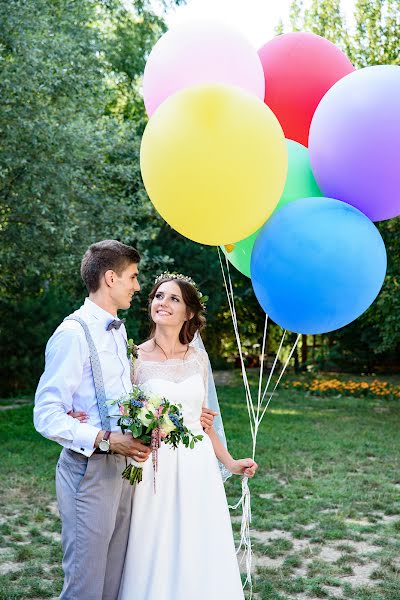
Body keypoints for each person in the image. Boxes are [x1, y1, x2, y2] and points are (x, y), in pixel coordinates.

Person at [33, 241, 216, 600]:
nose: (137, 286)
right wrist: (102, 436)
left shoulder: (117, 332)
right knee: (85, 584)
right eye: (133, 278)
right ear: (111, 278)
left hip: (125, 470)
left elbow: (125, 397)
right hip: (90, 470)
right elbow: (46, 415)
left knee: (114, 582)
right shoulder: (73, 334)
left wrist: (177, 415)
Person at [117, 272, 258, 600]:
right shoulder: (134, 357)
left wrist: (231, 463)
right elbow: (122, 415)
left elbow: (204, 423)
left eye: (173, 298)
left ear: (189, 313)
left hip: (198, 467)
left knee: (198, 544)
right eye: (157, 296)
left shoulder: (198, 360)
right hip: (153, 467)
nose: (162, 303)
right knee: (154, 543)